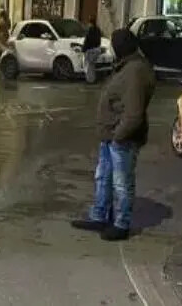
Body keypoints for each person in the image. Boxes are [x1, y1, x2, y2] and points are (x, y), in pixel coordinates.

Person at [71, 29, 155, 241]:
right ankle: (99, 215)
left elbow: (133, 113)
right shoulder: (127, 66)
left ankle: (121, 223)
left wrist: (119, 135)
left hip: (122, 139)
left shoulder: (135, 71)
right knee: (104, 178)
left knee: (121, 182)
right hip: (111, 137)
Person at [82, 17, 103, 84]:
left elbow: (87, 40)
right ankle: (92, 79)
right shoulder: (98, 29)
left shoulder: (90, 30)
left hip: (90, 50)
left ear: (90, 23)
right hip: (97, 49)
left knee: (89, 65)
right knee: (92, 64)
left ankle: (90, 80)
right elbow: (99, 40)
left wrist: (83, 49)